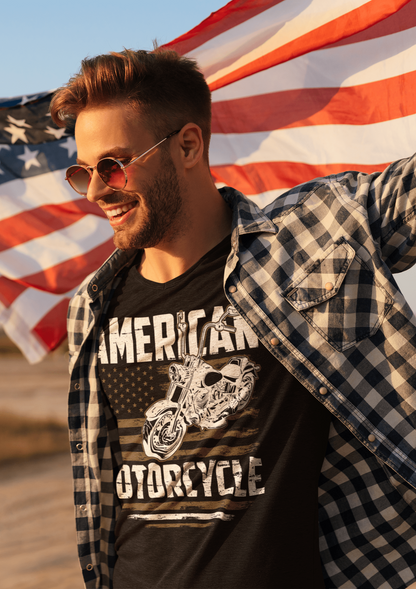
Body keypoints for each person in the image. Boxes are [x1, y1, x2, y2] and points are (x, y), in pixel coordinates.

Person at [50, 48, 416, 589]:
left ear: (189, 145)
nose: (99, 190)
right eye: (84, 171)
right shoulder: (92, 306)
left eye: (114, 165)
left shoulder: (310, 237)